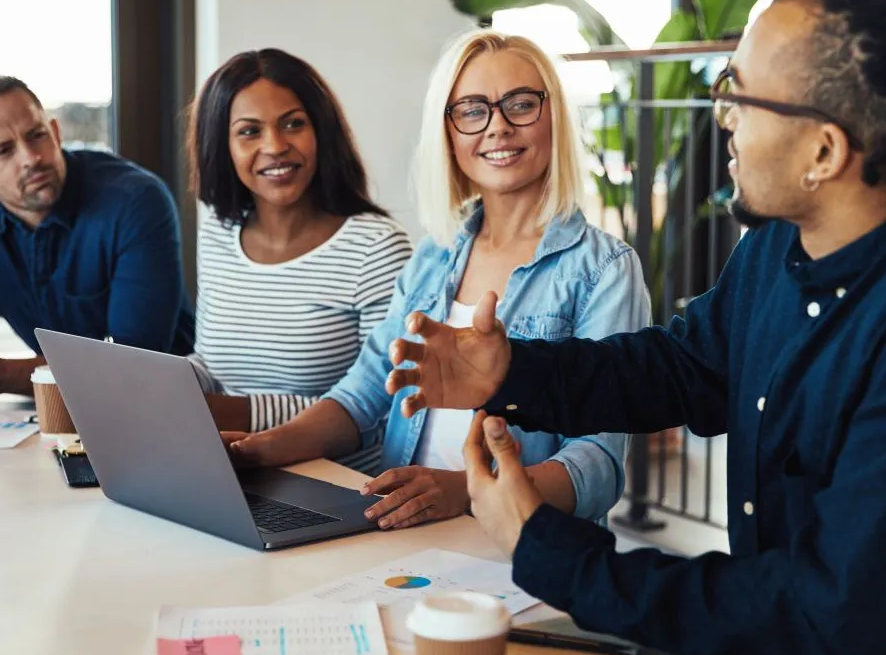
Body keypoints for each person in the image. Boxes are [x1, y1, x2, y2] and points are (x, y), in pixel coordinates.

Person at [385, 0, 886, 655]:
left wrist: (544, 545)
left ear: (823, 151)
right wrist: (510, 371)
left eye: (742, 93)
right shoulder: (781, 244)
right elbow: (681, 367)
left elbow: (825, 609)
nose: (724, 116)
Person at [219, 30, 651, 530]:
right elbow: (363, 395)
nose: (498, 127)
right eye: (472, 110)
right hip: (405, 535)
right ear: (447, 132)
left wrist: (466, 491)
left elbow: (598, 464)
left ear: (553, 115)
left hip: (528, 549)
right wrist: (260, 449)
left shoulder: (604, 269)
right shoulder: (435, 255)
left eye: (521, 104)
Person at [0, 75, 195, 404]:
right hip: (52, 415)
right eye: (4, 151)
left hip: (167, 404)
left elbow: (135, 363)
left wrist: (3, 375)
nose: (30, 158)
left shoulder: (135, 200)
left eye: (37, 136)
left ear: (55, 132)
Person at [188, 49, 412, 472]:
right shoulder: (217, 232)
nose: (275, 147)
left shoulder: (375, 248)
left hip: (336, 483)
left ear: (321, 132)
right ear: (222, 144)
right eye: (249, 132)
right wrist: (161, 386)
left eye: (293, 124)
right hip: (225, 466)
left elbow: (382, 407)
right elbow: (211, 364)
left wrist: (228, 414)